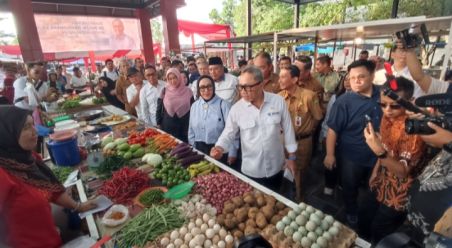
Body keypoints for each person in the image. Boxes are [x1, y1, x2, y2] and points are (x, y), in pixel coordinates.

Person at [0, 106, 96, 248]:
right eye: (26, 127)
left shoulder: (29, 158)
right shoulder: (3, 174)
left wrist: (78, 207)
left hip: (52, 240)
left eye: (33, 124)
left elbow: (50, 189)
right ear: (7, 133)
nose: (35, 131)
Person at [210, 66, 297, 192]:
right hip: (251, 169)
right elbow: (228, 133)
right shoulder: (237, 109)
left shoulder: (278, 102)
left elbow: (288, 130)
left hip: (276, 167)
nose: (243, 91)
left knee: (275, 200)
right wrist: (219, 147)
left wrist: (292, 157)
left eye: (248, 87)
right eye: (240, 87)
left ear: (261, 84)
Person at [363, 77, 426, 244]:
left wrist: (379, 152)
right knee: (365, 217)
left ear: (410, 102)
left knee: (380, 230)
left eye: (395, 106)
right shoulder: (387, 118)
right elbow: (384, 146)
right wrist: (374, 173)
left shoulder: (414, 129)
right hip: (381, 180)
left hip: (399, 193)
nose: (387, 110)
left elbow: (402, 172)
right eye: (383, 104)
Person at [324, 60, 382, 228]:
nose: (355, 81)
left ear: (372, 76)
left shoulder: (384, 94)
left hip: (379, 156)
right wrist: (329, 154)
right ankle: (351, 213)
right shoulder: (344, 102)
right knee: (350, 187)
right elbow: (332, 130)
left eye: (361, 76)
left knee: (375, 188)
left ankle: (369, 216)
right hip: (352, 156)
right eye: (352, 77)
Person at [278, 65, 323, 201]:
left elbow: (318, 117)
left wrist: (307, 131)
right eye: (279, 76)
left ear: (294, 79)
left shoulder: (309, 96)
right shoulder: (279, 97)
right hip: (283, 140)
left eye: (283, 77)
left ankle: (299, 198)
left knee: (300, 172)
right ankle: (283, 195)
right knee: (283, 168)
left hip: (302, 142)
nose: (279, 80)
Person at [188, 75, 237, 164]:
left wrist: (232, 153)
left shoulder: (224, 105)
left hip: (218, 149)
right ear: (198, 89)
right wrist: (192, 147)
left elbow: (232, 132)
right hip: (199, 148)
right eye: (202, 87)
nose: (206, 91)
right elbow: (191, 129)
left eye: (209, 86)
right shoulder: (195, 106)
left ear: (213, 87)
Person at [321, 74, 351, 195]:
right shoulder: (336, 97)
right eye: (347, 79)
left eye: (352, 79)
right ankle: (329, 184)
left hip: (348, 140)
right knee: (330, 160)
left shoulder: (363, 99)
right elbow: (328, 118)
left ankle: (342, 184)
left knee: (346, 164)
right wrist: (324, 135)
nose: (348, 82)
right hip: (333, 136)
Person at [156, 68, 193, 142]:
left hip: (185, 125)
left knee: (184, 148)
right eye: (170, 79)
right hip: (168, 125)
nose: (173, 81)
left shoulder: (188, 91)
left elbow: (193, 108)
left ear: (179, 77)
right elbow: (159, 108)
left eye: (175, 77)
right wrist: (158, 123)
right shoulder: (164, 90)